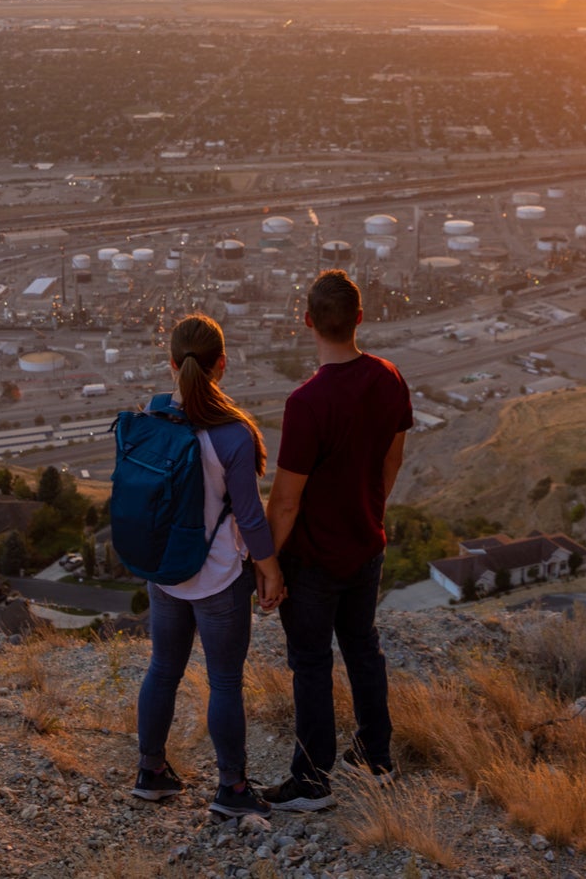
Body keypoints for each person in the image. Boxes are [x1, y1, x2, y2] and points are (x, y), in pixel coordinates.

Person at [262, 270, 413, 811]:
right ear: (359, 318)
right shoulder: (389, 377)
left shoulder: (307, 402)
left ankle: (312, 782)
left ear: (307, 322)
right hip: (365, 543)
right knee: (363, 649)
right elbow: (391, 460)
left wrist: (268, 562)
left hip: (315, 557)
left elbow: (285, 501)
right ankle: (376, 760)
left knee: (310, 661)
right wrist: (370, 510)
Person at [131, 313, 284, 818]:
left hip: (165, 572)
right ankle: (232, 790)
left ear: (172, 364)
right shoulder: (232, 434)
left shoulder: (150, 417)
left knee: (162, 670)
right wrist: (270, 569)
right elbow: (250, 515)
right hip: (218, 578)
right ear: (222, 364)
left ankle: (151, 772)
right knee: (223, 683)